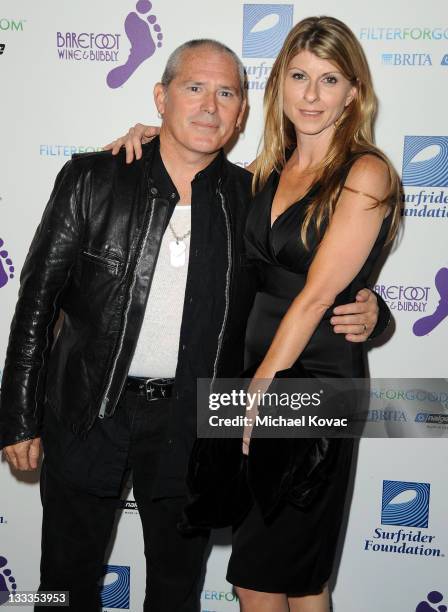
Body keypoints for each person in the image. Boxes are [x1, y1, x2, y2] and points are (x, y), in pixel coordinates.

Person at [0, 39, 388, 612]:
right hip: (87, 413)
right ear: (161, 97)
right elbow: (36, 299)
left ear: (241, 114)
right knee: (60, 584)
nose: (209, 106)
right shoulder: (94, 178)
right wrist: (17, 417)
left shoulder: (251, 197)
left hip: (195, 422)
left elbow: (304, 281)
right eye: (194, 88)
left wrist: (375, 311)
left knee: (178, 592)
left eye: (226, 93)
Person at [111, 18, 401, 612]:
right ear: (279, 86)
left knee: (270, 576)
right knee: (284, 576)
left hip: (310, 386)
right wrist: (153, 133)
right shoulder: (266, 172)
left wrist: (262, 392)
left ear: (354, 91)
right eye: (298, 76)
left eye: (329, 79)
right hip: (250, 381)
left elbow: (318, 296)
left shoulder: (365, 172)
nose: (312, 95)